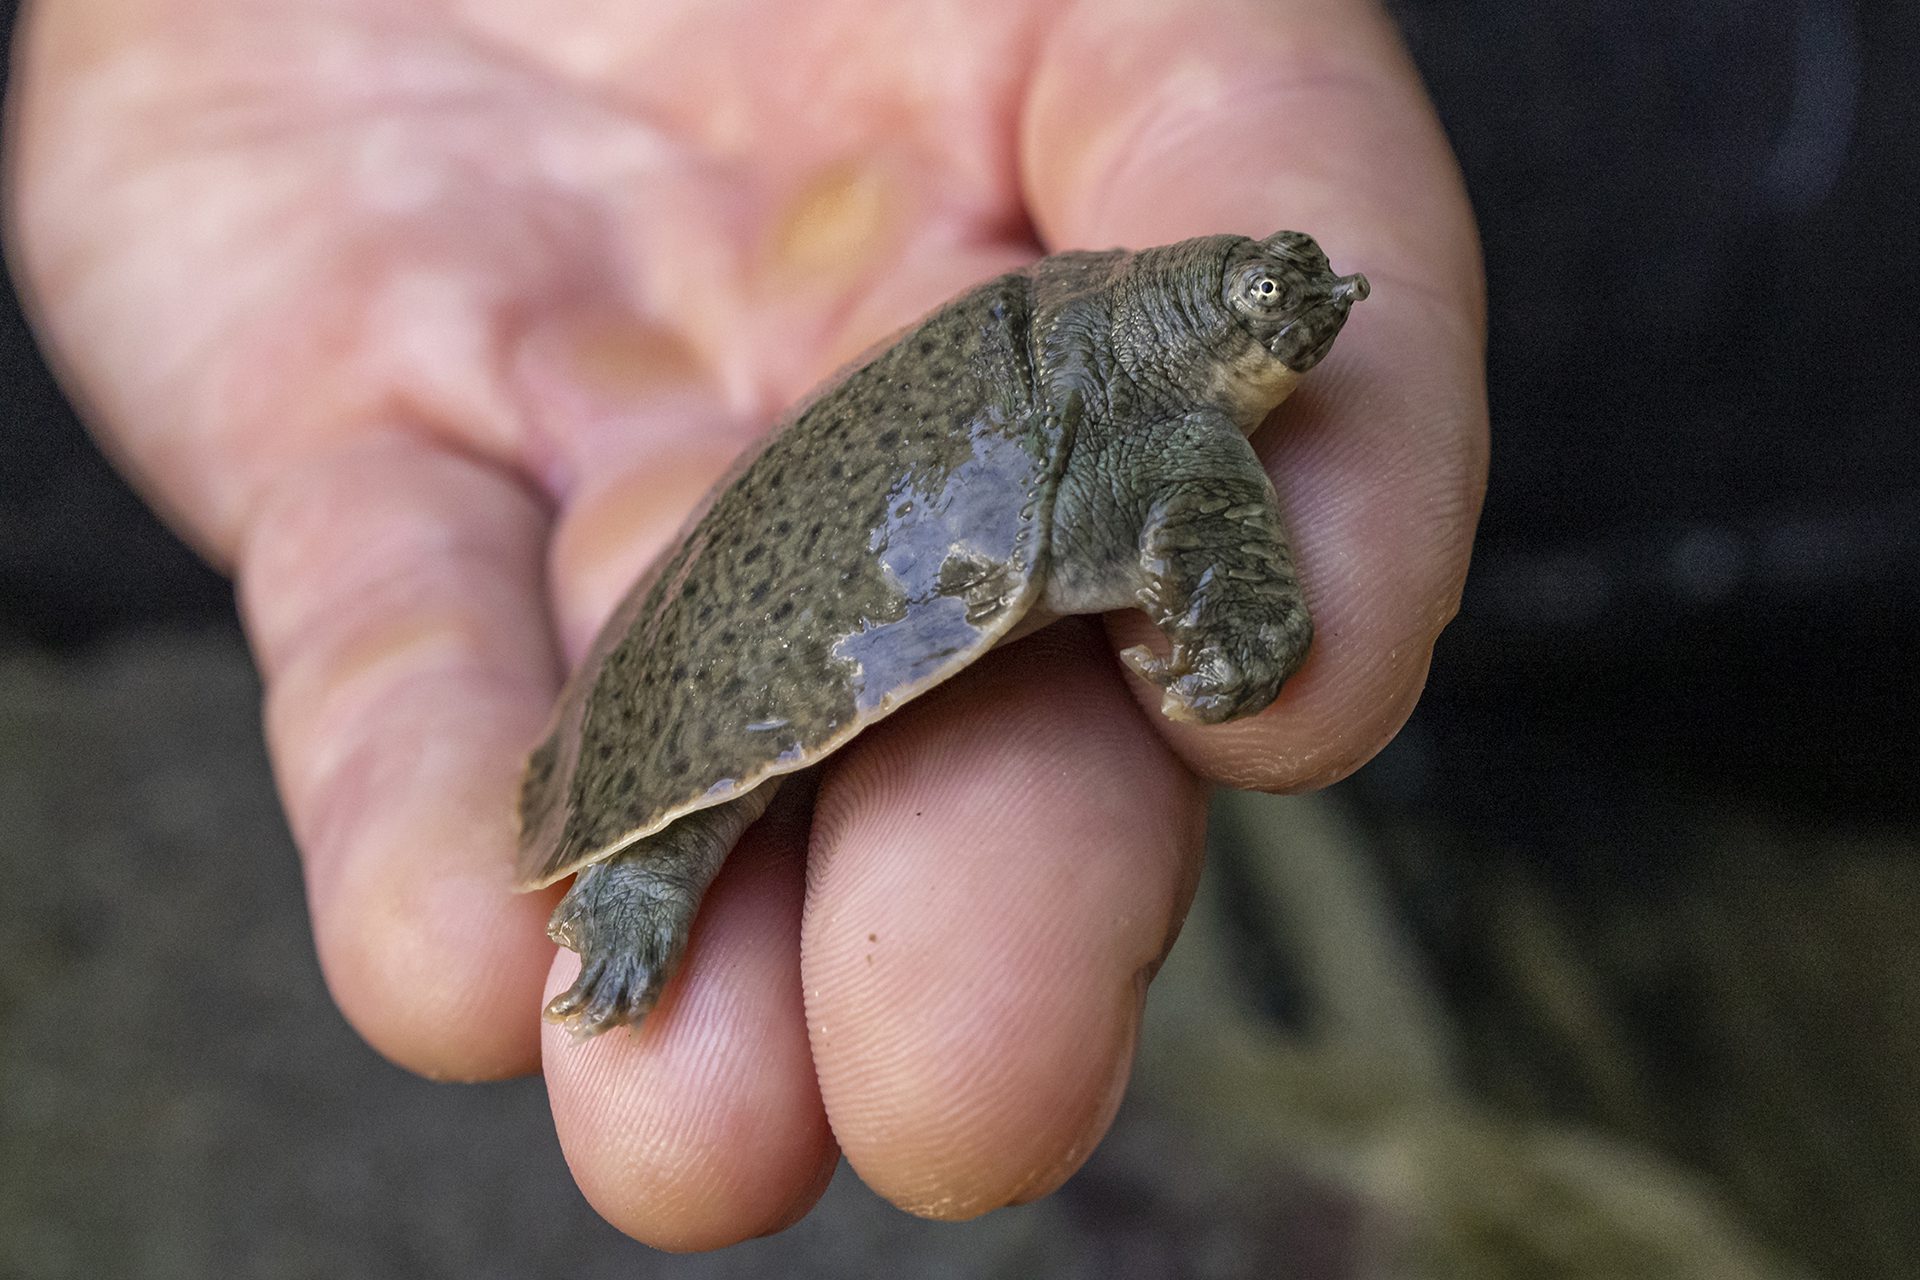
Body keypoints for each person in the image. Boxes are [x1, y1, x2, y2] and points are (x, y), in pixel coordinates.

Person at [5, 0, 1486, 1250]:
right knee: (733, 781)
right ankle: (644, 864)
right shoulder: (1171, 436)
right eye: (1270, 307)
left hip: (985, 434)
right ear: (1201, 336)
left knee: (955, 1027)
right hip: (823, 536)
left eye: (1300, 303)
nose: (1303, 320)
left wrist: (1237, 598)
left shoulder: (1155, 398)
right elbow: (1211, 528)